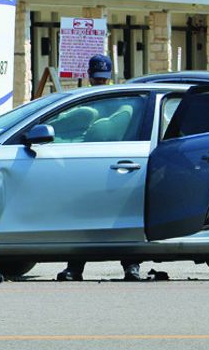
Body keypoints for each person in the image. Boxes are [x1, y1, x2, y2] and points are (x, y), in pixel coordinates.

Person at [56, 54, 144, 283]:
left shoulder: (121, 99)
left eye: (103, 78)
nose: (100, 82)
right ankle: (74, 268)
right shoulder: (84, 100)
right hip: (87, 163)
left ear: (110, 76)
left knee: (123, 217)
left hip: (119, 162)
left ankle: (131, 267)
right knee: (83, 216)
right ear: (89, 76)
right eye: (96, 78)